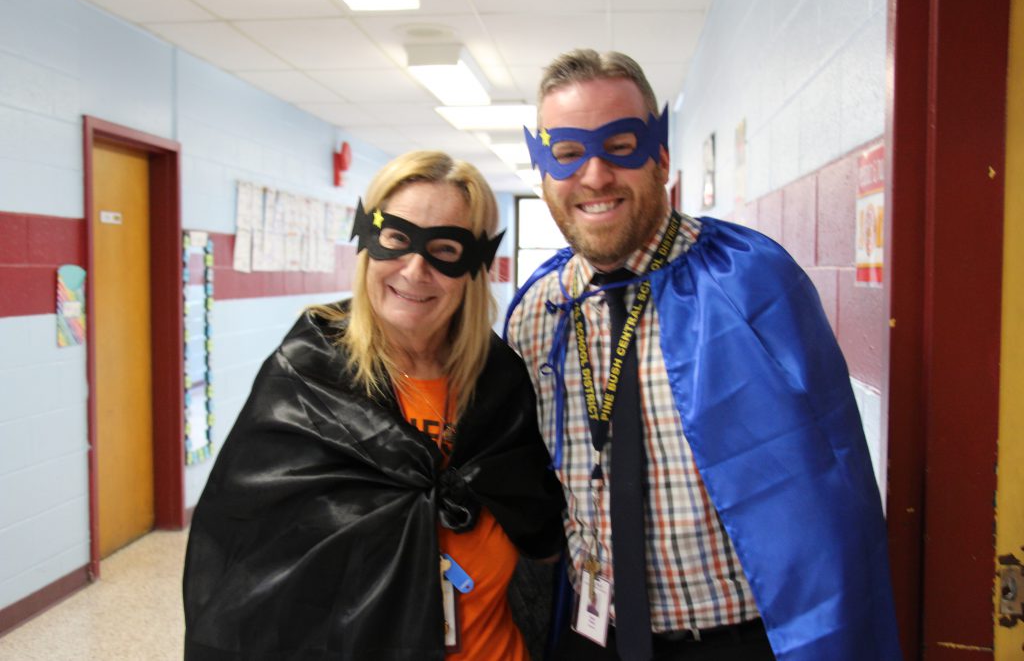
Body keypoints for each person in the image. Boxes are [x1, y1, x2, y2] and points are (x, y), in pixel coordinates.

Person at [505, 49, 902, 661]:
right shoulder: (536, 315)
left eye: (621, 145)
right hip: (591, 636)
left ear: (661, 157)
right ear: (543, 172)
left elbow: (832, 487)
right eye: (567, 154)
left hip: (736, 642)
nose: (594, 175)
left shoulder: (750, 282)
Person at [183, 150, 565, 660]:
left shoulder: (499, 381)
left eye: (445, 249)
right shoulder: (310, 373)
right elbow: (249, 566)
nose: (415, 269)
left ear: (475, 265)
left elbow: (538, 526)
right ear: (369, 240)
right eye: (397, 240)